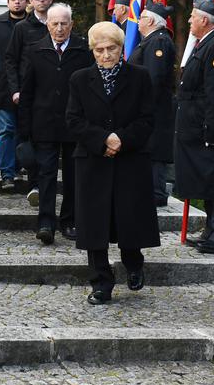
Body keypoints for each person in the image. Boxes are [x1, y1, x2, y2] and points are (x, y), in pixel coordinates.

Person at [67, 21, 158, 304]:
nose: (106, 55)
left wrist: (122, 139)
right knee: (94, 226)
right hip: (93, 160)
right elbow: (73, 120)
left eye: (112, 48)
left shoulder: (140, 77)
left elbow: (148, 118)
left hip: (129, 159)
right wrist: (103, 139)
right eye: (99, 50)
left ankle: (133, 263)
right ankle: (101, 283)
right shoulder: (80, 79)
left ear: (121, 48)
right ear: (92, 51)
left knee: (128, 219)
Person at [18, 3, 90, 243]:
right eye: (55, 23)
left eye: (64, 23)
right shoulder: (35, 49)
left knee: (73, 176)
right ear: (47, 24)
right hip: (44, 124)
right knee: (46, 175)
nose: (59, 28)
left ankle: (70, 221)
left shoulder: (83, 50)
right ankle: (45, 222)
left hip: (74, 125)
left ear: (72, 24)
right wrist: (24, 129)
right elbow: (27, 92)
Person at [174, 0, 214, 254]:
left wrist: (212, 132)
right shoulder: (205, 44)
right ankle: (212, 229)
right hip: (199, 128)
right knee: (207, 180)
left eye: (192, 17)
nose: (189, 20)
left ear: (204, 19)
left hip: (212, 130)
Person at [5, 0, 54, 206]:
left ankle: (45, 185)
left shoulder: (59, 23)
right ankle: (35, 185)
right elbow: (11, 61)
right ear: (31, 1)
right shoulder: (22, 28)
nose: (42, 0)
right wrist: (16, 90)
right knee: (31, 140)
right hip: (29, 95)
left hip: (54, 94)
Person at [126, 2, 176, 208]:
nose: (138, 21)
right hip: (147, 108)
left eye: (143, 17)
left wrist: (141, 104)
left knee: (154, 149)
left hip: (154, 109)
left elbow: (153, 78)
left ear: (152, 21)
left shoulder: (159, 42)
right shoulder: (151, 40)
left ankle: (156, 193)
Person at [0, 0, 27, 190]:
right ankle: (7, 173)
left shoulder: (33, 24)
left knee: (23, 130)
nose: (17, 2)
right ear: (8, 1)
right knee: (6, 130)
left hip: (28, 85)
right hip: (3, 86)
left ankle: (20, 167)